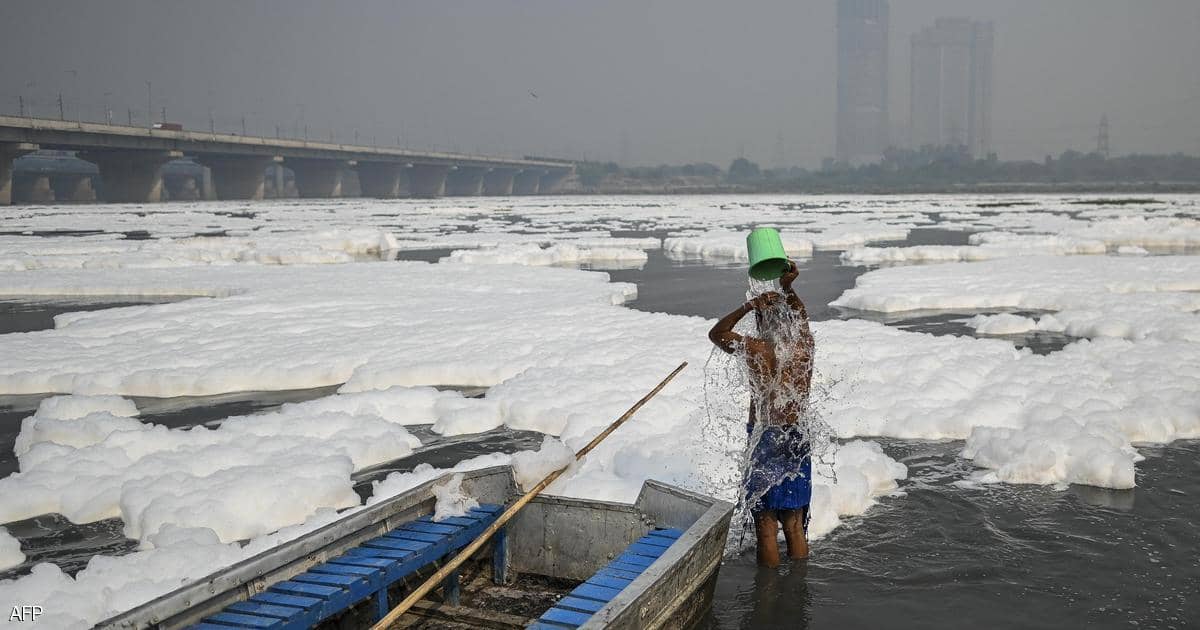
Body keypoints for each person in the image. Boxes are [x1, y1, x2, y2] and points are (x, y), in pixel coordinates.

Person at [708, 260, 815, 567]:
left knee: (766, 527)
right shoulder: (805, 345)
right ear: (790, 320)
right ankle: (799, 591)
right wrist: (788, 288)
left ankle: (765, 603)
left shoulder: (755, 348)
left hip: (766, 435)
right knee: (794, 524)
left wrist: (749, 304)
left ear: (761, 320)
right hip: (798, 434)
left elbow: (718, 333)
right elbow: (803, 318)